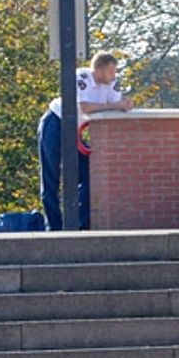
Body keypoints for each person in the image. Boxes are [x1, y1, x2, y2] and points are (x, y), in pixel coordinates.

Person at [38, 51, 134, 230]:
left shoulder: (111, 83)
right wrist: (115, 105)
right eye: (111, 71)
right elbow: (86, 107)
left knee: (89, 174)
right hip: (56, 123)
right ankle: (54, 227)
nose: (114, 76)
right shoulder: (82, 77)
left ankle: (80, 225)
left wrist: (126, 104)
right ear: (99, 70)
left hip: (75, 129)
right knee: (51, 176)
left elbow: (118, 105)